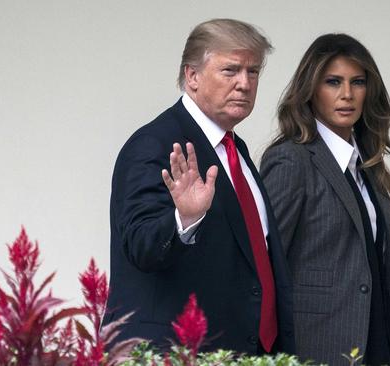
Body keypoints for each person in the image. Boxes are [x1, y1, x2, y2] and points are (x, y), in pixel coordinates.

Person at [105, 19, 295, 355]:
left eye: (253, 72)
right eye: (230, 70)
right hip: (180, 354)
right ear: (192, 76)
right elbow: (140, 245)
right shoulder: (155, 143)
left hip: (247, 354)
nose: (244, 84)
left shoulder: (235, 151)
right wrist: (184, 219)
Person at [260, 33, 390, 366]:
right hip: (318, 351)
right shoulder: (291, 161)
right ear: (311, 89)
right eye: (333, 82)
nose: (346, 95)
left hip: (379, 351)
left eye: (357, 82)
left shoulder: (368, 168)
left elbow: (381, 281)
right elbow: (264, 271)